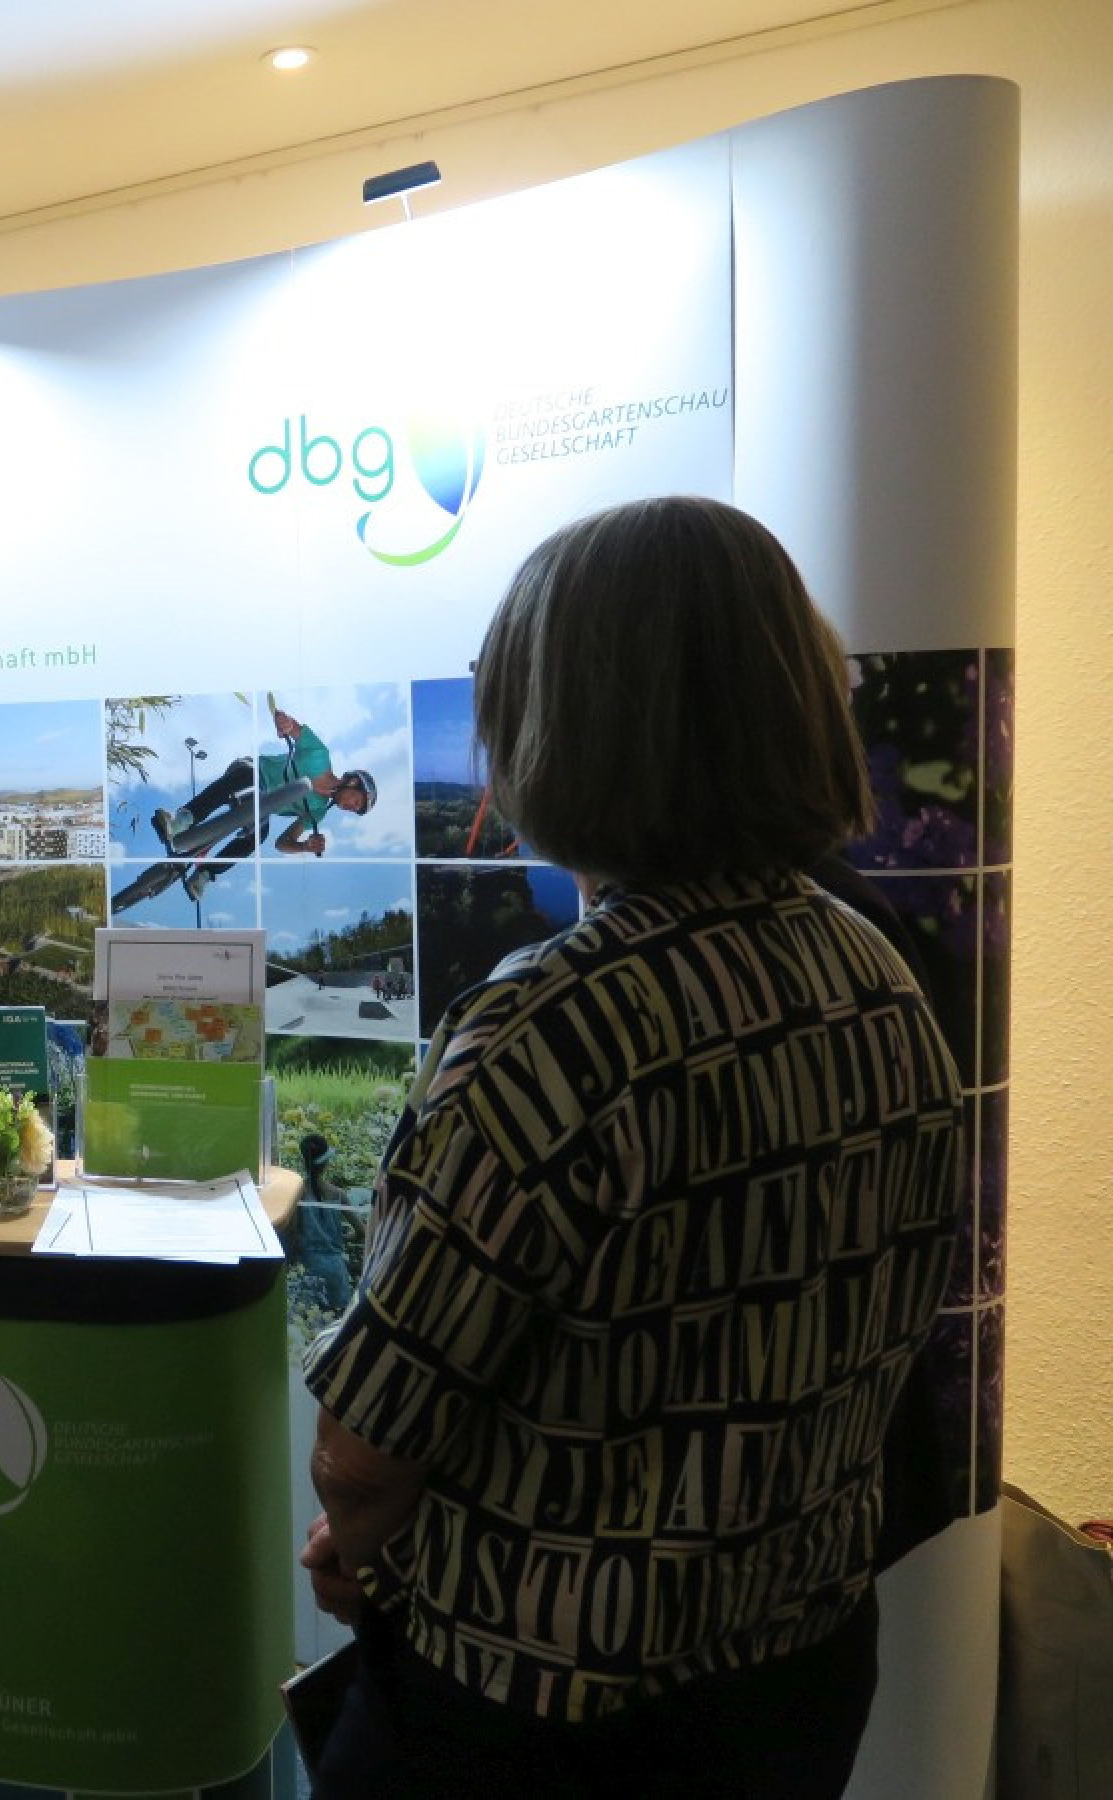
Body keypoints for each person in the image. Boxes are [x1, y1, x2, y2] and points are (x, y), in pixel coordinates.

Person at [296, 497, 963, 1798]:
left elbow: (366, 1447)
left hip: (537, 1713)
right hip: (797, 1677)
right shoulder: (877, 974)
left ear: (566, 726)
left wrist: (362, 1545)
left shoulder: (548, 1028)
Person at [152, 696, 373, 899]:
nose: (351, 808)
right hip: (253, 771)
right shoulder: (319, 756)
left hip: (261, 807)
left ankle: (204, 875)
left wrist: (305, 846)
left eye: (355, 810)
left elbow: (282, 843)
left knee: (261, 834)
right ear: (353, 782)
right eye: (356, 802)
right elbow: (293, 727)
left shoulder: (318, 811)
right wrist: (284, 722)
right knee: (247, 778)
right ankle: (181, 821)